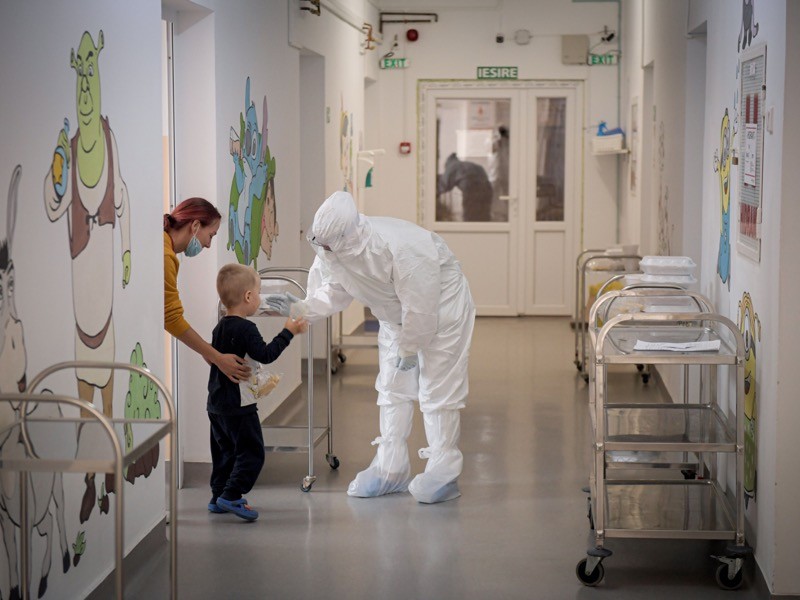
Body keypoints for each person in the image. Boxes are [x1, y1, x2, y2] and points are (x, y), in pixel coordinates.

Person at [265, 191, 475, 504]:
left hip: (442, 310)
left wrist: (409, 349)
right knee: (391, 386)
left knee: (437, 387)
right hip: (393, 314)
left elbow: (421, 309)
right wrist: (303, 308)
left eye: (328, 246)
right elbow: (336, 289)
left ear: (347, 236)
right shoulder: (332, 247)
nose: (323, 251)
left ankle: (443, 469)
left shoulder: (403, 249)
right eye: (320, 245)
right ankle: (391, 468)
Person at [207, 263, 308, 520]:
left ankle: (218, 496)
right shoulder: (247, 328)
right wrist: (289, 331)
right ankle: (231, 496)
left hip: (216, 404)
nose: (261, 298)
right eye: (259, 292)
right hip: (240, 405)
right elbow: (266, 354)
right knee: (252, 453)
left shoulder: (220, 327)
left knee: (225, 452)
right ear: (249, 297)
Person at [164, 197, 250, 383]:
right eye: (211, 235)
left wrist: (210, 352)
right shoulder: (165, 256)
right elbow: (171, 318)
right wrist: (216, 357)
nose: (209, 244)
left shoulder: (163, 247)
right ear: (195, 226)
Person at [437, 152, 493, 222]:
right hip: (487, 189)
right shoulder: (470, 165)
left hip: (473, 191)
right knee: (484, 217)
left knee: (471, 218)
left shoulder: (452, 166)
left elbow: (444, 185)